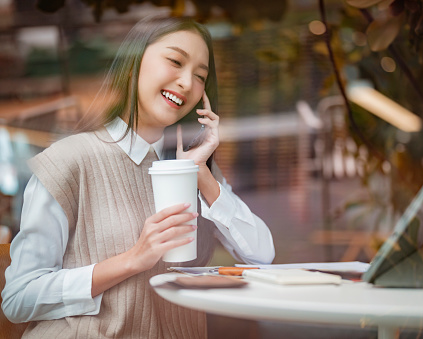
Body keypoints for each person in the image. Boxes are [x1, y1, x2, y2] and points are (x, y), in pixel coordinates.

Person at [1, 15, 275, 338]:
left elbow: (262, 254)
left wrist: (200, 173)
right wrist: (132, 259)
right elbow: (17, 299)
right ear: (134, 62)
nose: (187, 83)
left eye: (200, 76)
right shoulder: (71, 160)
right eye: (175, 61)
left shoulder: (194, 169)